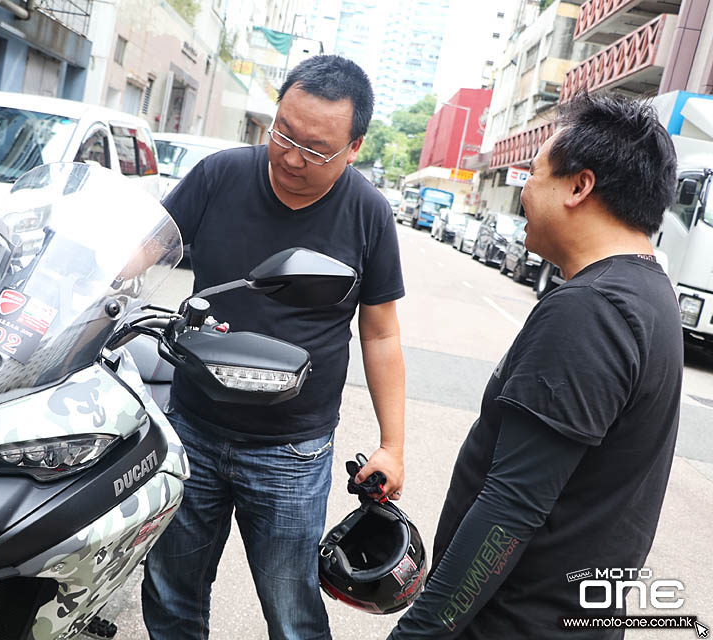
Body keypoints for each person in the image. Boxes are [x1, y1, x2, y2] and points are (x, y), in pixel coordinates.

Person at [388, 92, 682, 639]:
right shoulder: (649, 294)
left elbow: (511, 506)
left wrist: (420, 631)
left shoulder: (591, 309)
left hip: (511, 624)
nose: (523, 188)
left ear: (578, 186)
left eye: (535, 172)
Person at [142, 54, 407, 640]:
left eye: (315, 149)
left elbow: (381, 332)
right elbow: (143, 252)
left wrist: (393, 446)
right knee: (171, 591)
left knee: (292, 614)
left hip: (291, 451)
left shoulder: (368, 213)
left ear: (354, 146)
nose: (290, 157)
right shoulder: (219, 176)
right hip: (192, 428)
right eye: (282, 132)